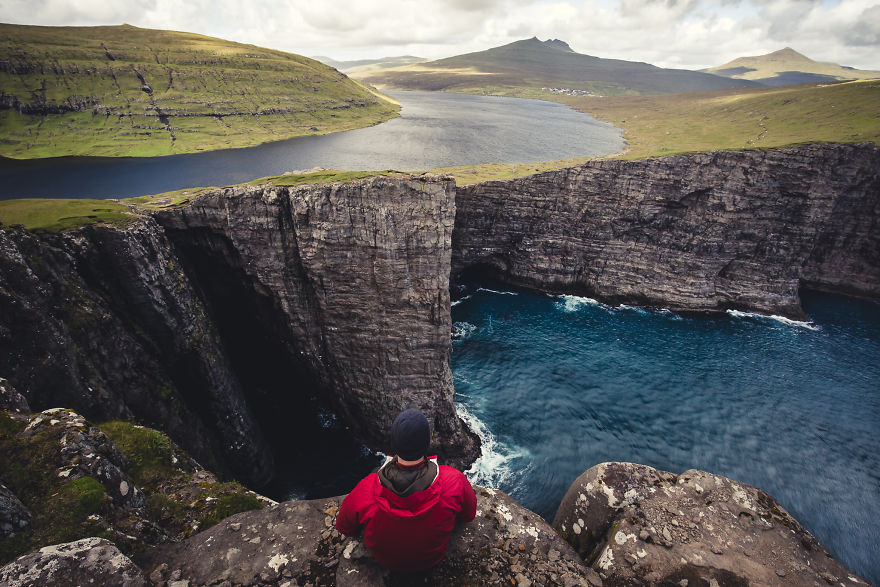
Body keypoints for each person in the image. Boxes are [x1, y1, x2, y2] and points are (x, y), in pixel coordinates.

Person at [336, 408, 477, 572]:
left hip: (387, 562)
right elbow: (468, 515)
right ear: (427, 443)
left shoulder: (367, 488)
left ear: (394, 444)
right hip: (432, 559)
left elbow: (344, 527)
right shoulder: (454, 481)